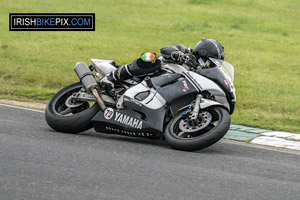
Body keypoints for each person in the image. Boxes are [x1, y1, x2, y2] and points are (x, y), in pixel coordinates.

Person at [100, 38, 225, 89]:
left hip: (161, 88)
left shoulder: (199, 72)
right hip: (151, 74)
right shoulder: (184, 51)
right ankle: (112, 77)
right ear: (203, 53)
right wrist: (179, 55)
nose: (209, 65)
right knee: (151, 59)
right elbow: (165, 49)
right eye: (209, 61)